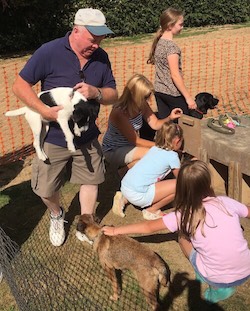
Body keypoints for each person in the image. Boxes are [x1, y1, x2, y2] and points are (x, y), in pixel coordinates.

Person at [12, 8, 118, 247]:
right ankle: (57, 214)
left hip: (86, 135)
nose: (97, 44)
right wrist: (42, 110)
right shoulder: (49, 51)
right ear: (76, 30)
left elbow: (114, 94)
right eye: (93, 38)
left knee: (91, 180)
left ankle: (86, 222)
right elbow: (20, 86)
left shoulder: (101, 57)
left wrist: (97, 92)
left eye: (101, 38)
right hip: (54, 138)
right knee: (45, 188)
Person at [103, 160, 250, 303]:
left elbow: (148, 227)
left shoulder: (182, 215)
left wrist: (116, 230)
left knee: (181, 237)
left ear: (181, 187)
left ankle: (211, 284)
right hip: (246, 269)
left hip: (215, 277)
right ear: (208, 182)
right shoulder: (226, 202)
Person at [102, 73, 182, 177]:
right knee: (154, 154)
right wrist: (163, 147)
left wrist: (170, 118)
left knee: (155, 154)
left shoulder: (141, 105)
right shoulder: (119, 112)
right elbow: (136, 140)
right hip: (114, 149)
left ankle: (128, 173)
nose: (148, 100)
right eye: (145, 97)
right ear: (135, 95)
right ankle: (125, 173)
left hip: (129, 146)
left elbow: (155, 124)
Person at [115, 121, 183, 220]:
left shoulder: (154, 149)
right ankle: (152, 210)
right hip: (138, 196)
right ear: (177, 141)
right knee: (180, 186)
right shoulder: (172, 156)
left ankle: (124, 199)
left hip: (125, 186)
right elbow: (181, 178)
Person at [147, 7, 197, 118]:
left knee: (166, 128)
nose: (182, 27)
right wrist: (188, 98)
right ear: (170, 25)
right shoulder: (171, 47)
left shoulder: (159, 43)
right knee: (182, 127)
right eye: (180, 24)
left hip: (159, 91)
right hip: (172, 93)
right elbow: (175, 75)